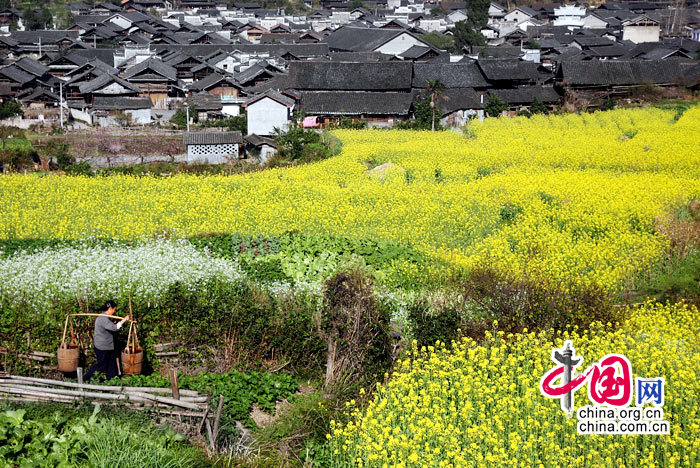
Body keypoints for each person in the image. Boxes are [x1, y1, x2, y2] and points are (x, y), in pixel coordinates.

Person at [84, 300, 130, 381]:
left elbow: (109, 326)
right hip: (102, 347)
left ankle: (111, 380)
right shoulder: (103, 318)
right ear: (110, 309)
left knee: (112, 364)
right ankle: (85, 378)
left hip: (108, 346)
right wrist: (124, 320)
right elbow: (114, 328)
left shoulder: (105, 318)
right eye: (114, 309)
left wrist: (113, 323)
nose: (114, 311)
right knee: (102, 365)